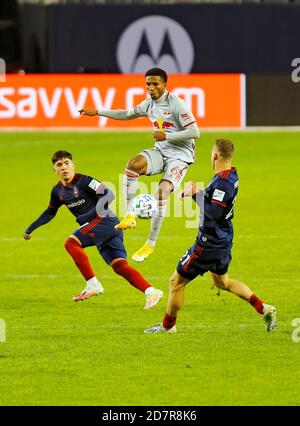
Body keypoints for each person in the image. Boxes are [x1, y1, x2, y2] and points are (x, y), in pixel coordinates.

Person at [144, 139, 277, 334]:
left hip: (209, 242)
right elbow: (217, 204)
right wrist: (199, 192)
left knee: (176, 282)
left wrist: (194, 194)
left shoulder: (223, 183)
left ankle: (168, 326)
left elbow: (214, 213)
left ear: (215, 156)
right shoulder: (231, 175)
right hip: (223, 238)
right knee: (221, 282)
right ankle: (263, 308)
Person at [79, 67, 200, 263]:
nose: (151, 88)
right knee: (133, 164)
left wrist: (167, 135)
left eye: (155, 84)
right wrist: (98, 112)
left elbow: (195, 132)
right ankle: (129, 215)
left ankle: (150, 244)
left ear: (164, 85)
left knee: (162, 192)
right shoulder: (149, 104)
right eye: (148, 84)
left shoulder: (177, 104)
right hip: (161, 151)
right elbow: (127, 114)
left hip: (180, 156)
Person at [23, 150, 163, 308]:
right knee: (119, 266)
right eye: (59, 165)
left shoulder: (85, 180)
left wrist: (89, 214)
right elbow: (50, 212)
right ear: (54, 169)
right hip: (104, 228)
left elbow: (108, 195)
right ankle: (151, 291)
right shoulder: (58, 191)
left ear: (73, 165)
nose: (64, 167)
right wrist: (31, 228)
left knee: (71, 243)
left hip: (105, 221)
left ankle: (92, 285)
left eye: (67, 163)